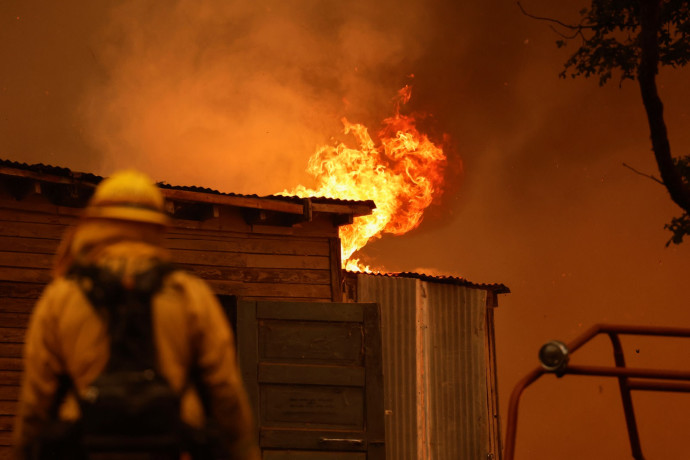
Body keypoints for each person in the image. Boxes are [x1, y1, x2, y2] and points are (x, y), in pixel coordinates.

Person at [13, 170, 260, 460]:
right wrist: (244, 451)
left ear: (96, 222)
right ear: (157, 226)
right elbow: (225, 390)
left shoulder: (62, 296)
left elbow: (35, 400)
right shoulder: (189, 294)